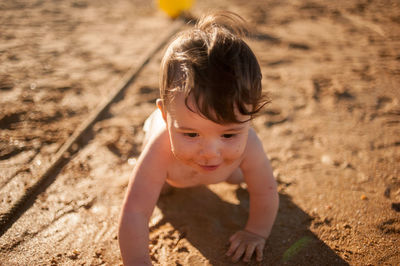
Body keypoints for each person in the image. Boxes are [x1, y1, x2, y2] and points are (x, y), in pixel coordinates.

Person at [118, 10, 279, 265]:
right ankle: (166, 171)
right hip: (173, 172)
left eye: (228, 133)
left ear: (249, 117)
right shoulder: (160, 148)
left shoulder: (249, 143)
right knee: (156, 187)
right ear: (165, 115)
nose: (210, 152)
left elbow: (266, 192)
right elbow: (135, 213)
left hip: (227, 168)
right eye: (191, 133)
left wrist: (255, 232)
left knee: (240, 176)